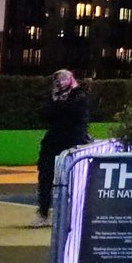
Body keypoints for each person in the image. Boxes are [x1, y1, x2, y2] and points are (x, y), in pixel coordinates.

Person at [34, 69, 90, 227]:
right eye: (57, 79)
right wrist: (55, 102)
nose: (59, 82)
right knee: (45, 176)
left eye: (63, 78)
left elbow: (72, 115)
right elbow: (45, 115)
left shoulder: (79, 96)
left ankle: (74, 215)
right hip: (53, 142)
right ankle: (43, 214)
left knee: (74, 179)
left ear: (71, 79)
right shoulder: (53, 97)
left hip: (73, 142)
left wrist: (58, 104)